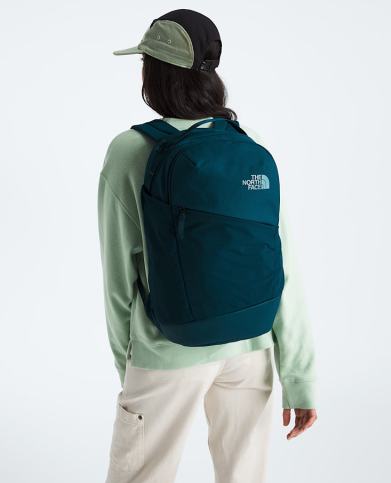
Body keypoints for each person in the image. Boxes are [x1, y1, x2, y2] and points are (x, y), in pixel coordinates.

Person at [98, 8, 318, 483]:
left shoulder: (129, 151)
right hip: (251, 349)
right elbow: (283, 267)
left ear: (153, 72)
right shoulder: (249, 144)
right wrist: (299, 377)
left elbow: (118, 279)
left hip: (167, 350)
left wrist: (131, 372)